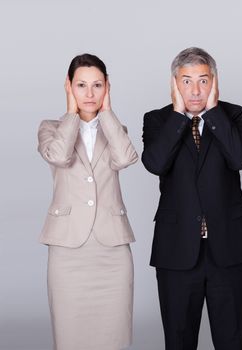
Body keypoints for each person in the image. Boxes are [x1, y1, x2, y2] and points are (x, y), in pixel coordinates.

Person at [141, 47, 242, 350]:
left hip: (228, 247)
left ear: (214, 82)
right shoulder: (158, 120)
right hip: (177, 249)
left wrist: (212, 111)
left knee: (232, 339)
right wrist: (180, 115)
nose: (195, 90)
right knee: (179, 339)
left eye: (203, 81)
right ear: (174, 83)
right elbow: (155, 163)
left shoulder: (231, 115)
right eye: (187, 81)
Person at [37, 53, 138, 350]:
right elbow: (58, 156)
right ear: (69, 86)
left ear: (107, 87)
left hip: (112, 251)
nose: (90, 93)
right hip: (68, 249)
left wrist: (107, 113)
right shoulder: (50, 128)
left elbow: (126, 158)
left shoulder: (116, 129)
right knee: (70, 335)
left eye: (97, 85)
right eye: (81, 85)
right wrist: (71, 114)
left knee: (115, 334)